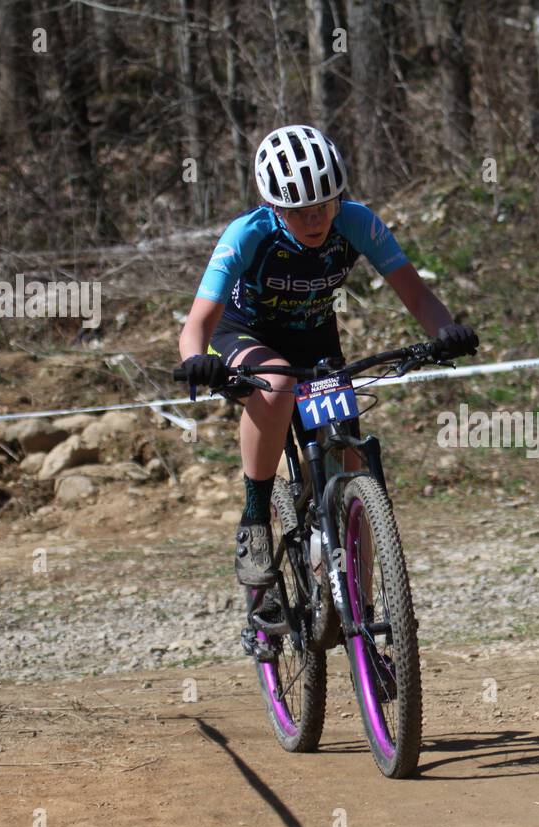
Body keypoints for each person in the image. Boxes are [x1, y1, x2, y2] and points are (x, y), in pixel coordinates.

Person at [177, 124, 478, 587]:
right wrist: (198, 358)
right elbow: (197, 323)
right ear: (275, 207)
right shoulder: (248, 234)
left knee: (348, 463)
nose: (316, 219)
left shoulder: (357, 222)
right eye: (301, 212)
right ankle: (255, 520)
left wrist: (446, 332)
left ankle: (354, 599)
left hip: (316, 340)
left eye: (324, 205)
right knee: (276, 385)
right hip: (244, 334)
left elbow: (418, 298)